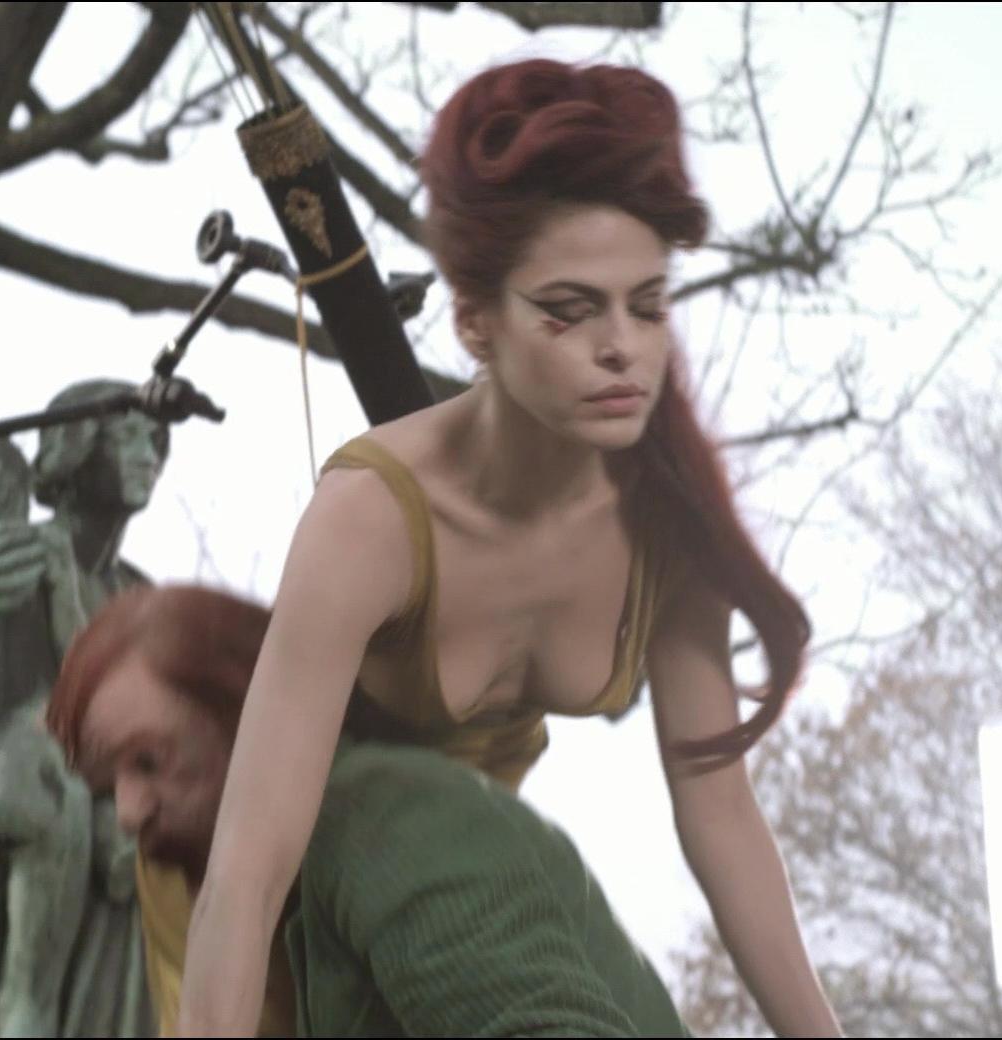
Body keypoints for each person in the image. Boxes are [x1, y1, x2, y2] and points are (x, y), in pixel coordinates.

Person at [176, 58, 842, 1037]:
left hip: (494, 878)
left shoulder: (664, 523)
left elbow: (720, 817)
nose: (621, 346)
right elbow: (248, 869)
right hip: (331, 878)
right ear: (474, 323)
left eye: (648, 305)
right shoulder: (371, 519)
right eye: (568, 310)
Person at [47, 584, 694, 1037]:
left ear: (245, 712)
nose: (128, 813)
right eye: (107, 788)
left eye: (148, 762)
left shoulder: (386, 823)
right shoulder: (300, 880)